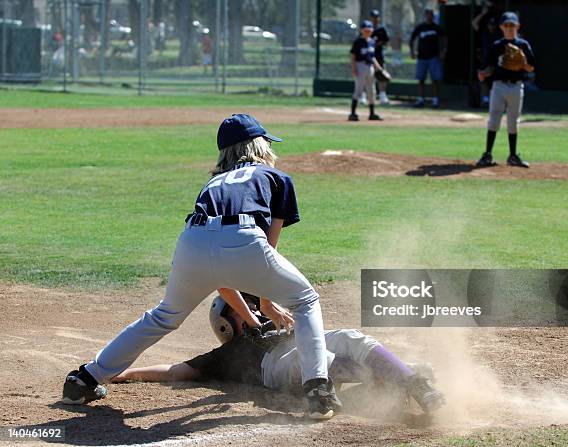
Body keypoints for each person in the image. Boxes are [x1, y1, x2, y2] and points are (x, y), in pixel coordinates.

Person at [62, 114, 342, 420]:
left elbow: (220, 272)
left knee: (163, 316)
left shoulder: (212, 183)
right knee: (305, 300)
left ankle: (83, 380)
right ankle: (318, 391)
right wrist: (266, 302)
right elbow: (266, 251)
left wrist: (258, 305)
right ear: (258, 146)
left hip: (192, 240)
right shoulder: (275, 178)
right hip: (244, 236)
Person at [111, 294, 445, 415]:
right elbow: (173, 370)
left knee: (347, 336)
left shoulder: (275, 323)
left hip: (297, 343)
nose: (252, 308)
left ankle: (413, 382)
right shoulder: (226, 354)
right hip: (278, 367)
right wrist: (125, 372)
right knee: (308, 357)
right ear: (227, 323)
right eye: (242, 308)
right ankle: (393, 381)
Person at [476, 12, 535, 168]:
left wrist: (523, 63)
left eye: (512, 25)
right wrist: (483, 74)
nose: (509, 28)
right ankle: (487, 154)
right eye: (506, 25)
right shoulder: (496, 46)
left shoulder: (523, 45)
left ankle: (513, 156)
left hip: (516, 86)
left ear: (518, 26)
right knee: (494, 119)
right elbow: (489, 67)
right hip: (499, 86)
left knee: (513, 122)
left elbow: (531, 68)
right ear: (501, 27)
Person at [409, 9, 447, 109]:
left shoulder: (436, 28)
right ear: (425, 16)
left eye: (431, 15)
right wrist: (412, 51)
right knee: (421, 79)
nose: (429, 17)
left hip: (433, 57)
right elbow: (412, 39)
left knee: (435, 79)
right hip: (421, 57)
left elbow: (444, 38)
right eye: (428, 15)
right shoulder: (420, 27)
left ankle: (435, 100)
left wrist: (443, 51)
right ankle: (421, 99)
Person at [349, 20, 384, 122]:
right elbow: (353, 56)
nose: (367, 32)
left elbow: (372, 57)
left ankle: (372, 114)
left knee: (371, 91)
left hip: (370, 67)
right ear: (361, 30)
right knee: (358, 90)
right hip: (360, 66)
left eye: (369, 30)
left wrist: (379, 68)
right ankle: (352, 113)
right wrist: (354, 68)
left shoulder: (372, 42)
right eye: (365, 30)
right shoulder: (358, 42)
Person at [370, 9, 391, 105]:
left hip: (379, 55)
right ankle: (365, 95)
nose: (375, 19)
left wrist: (378, 44)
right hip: (369, 56)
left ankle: (382, 95)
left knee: (382, 75)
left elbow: (386, 40)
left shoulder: (381, 29)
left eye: (376, 17)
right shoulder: (368, 29)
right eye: (373, 17)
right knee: (369, 76)